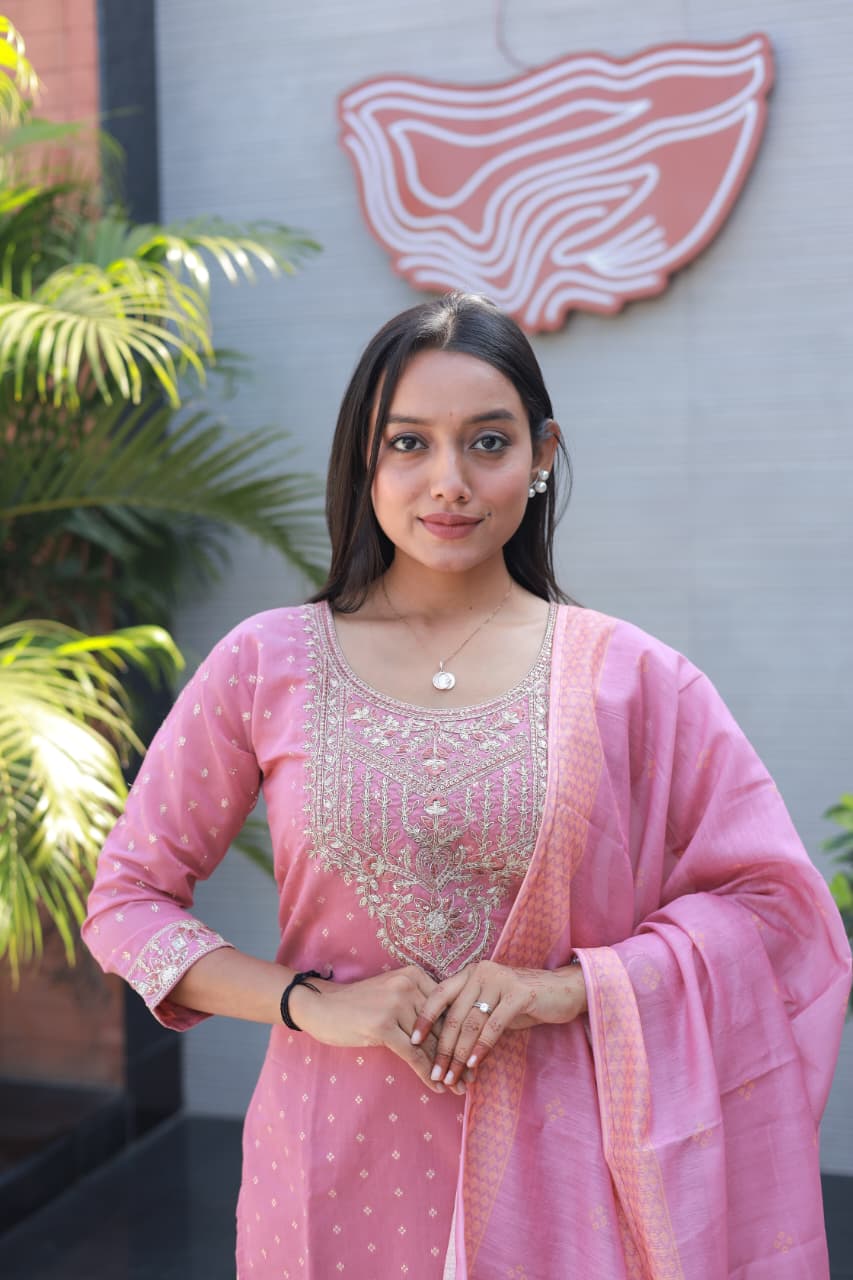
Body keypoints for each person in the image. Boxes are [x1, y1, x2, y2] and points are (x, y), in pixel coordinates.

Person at [83, 292, 851, 1280]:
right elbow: (126, 903)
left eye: (487, 442)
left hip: (574, 1168)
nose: (448, 481)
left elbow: (777, 916)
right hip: (331, 1159)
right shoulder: (266, 663)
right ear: (364, 460)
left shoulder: (632, 679)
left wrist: (561, 988)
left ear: (540, 455)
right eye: (407, 443)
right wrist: (310, 1002)